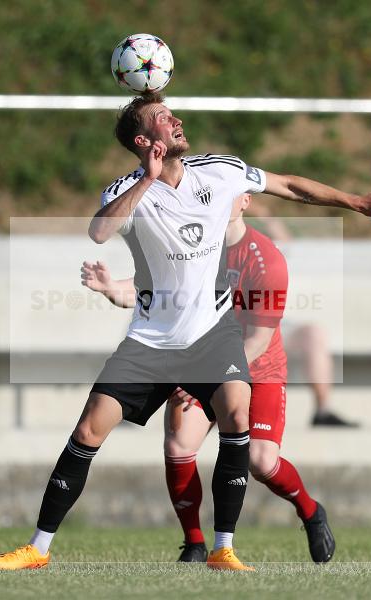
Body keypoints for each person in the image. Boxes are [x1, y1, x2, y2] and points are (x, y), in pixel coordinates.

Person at [0, 92, 371, 572]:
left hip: (212, 336)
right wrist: (147, 179)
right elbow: (100, 232)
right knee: (89, 429)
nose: (178, 120)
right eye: (165, 118)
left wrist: (358, 202)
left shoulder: (220, 172)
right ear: (146, 141)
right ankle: (37, 549)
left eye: (173, 114)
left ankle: (222, 549)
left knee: (236, 415)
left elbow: (289, 185)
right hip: (149, 340)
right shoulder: (129, 189)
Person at [81, 192, 338, 564]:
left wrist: (209, 372)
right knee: (178, 445)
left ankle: (311, 511)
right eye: (206, 194)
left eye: (222, 194)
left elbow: (259, 339)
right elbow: (148, 290)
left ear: (245, 201)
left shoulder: (266, 261)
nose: (211, 201)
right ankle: (195, 543)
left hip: (257, 369)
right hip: (200, 365)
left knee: (262, 460)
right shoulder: (196, 244)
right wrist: (109, 288)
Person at [243, 202, 356, 427]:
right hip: (241, 325)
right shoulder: (230, 243)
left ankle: (322, 411)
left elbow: (285, 242)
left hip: (276, 325)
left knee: (314, 334)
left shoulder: (271, 250)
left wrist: (263, 212)